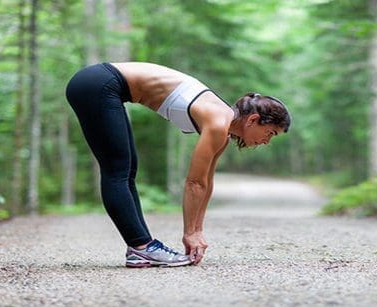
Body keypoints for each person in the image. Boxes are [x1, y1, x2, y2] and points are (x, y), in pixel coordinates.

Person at [65, 62, 291, 268]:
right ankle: (141, 247)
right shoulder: (217, 122)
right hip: (99, 84)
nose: (266, 141)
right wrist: (188, 233)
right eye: (270, 133)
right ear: (253, 120)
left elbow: (206, 183)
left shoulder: (223, 127)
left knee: (126, 169)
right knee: (117, 170)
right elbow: (194, 182)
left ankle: (142, 248)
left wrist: (197, 230)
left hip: (103, 85)